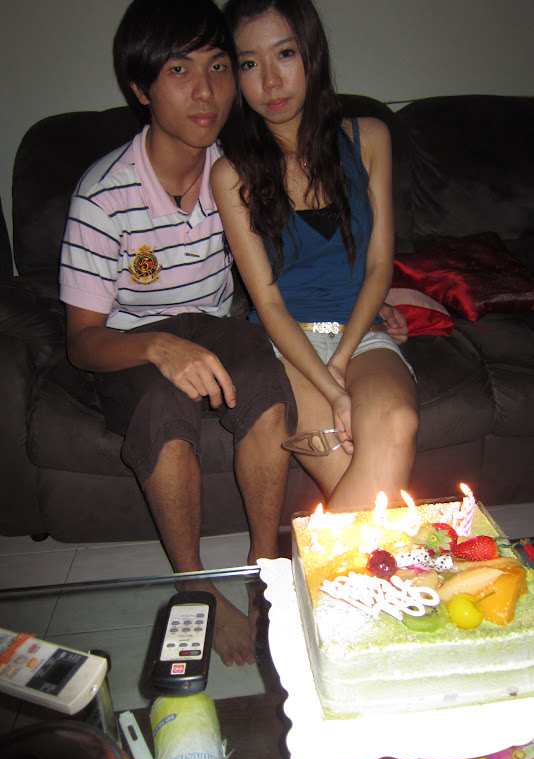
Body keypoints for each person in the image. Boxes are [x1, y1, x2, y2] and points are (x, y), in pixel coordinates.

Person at [58, 0, 297, 667]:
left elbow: (303, 263)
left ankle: (262, 571)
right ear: (141, 88)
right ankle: (194, 585)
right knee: (164, 410)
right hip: (135, 340)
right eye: (179, 70)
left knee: (266, 381)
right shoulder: (102, 197)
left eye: (219, 67)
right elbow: (82, 340)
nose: (206, 91)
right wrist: (157, 347)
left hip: (219, 325)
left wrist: (389, 292)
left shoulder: (240, 171)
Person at [211, 0, 419, 513]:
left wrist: (342, 360)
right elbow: (268, 303)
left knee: (397, 422)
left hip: (362, 334)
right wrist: (332, 388)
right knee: (363, 481)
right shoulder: (231, 174)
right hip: (282, 346)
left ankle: (309, 566)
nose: (270, 81)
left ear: (312, 53)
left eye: (285, 54)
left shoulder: (369, 138)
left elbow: (379, 266)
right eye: (249, 63)